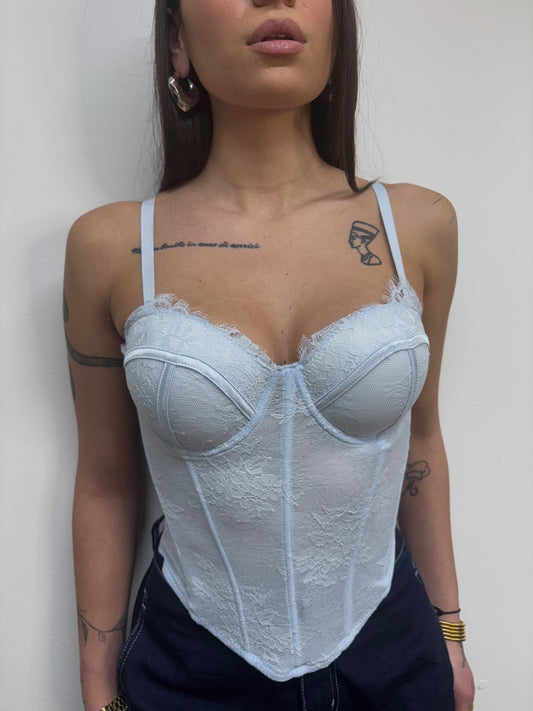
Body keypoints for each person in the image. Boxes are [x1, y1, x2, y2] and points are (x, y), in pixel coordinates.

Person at [64, 1, 476, 710]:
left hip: (395, 659)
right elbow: (106, 480)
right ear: (177, 43)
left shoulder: (416, 227)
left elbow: (422, 440)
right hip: (189, 671)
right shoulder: (113, 250)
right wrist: (98, 684)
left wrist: (451, 635)